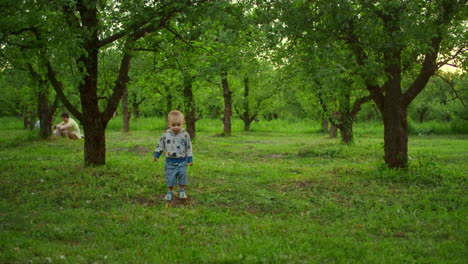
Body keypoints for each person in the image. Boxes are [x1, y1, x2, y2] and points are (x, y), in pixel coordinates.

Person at [153, 110, 193, 200]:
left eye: (178, 125)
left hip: (182, 161)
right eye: (173, 125)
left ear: (183, 123)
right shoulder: (165, 134)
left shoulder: (185, 135)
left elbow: (189, 147)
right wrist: (156, 154)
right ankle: (170, 192)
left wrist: (190, 158)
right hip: (169, 162)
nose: (176, 127)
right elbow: (160, 145)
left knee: (182, 176)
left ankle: (182, 191)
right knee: (170, 178)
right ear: (169, 124)